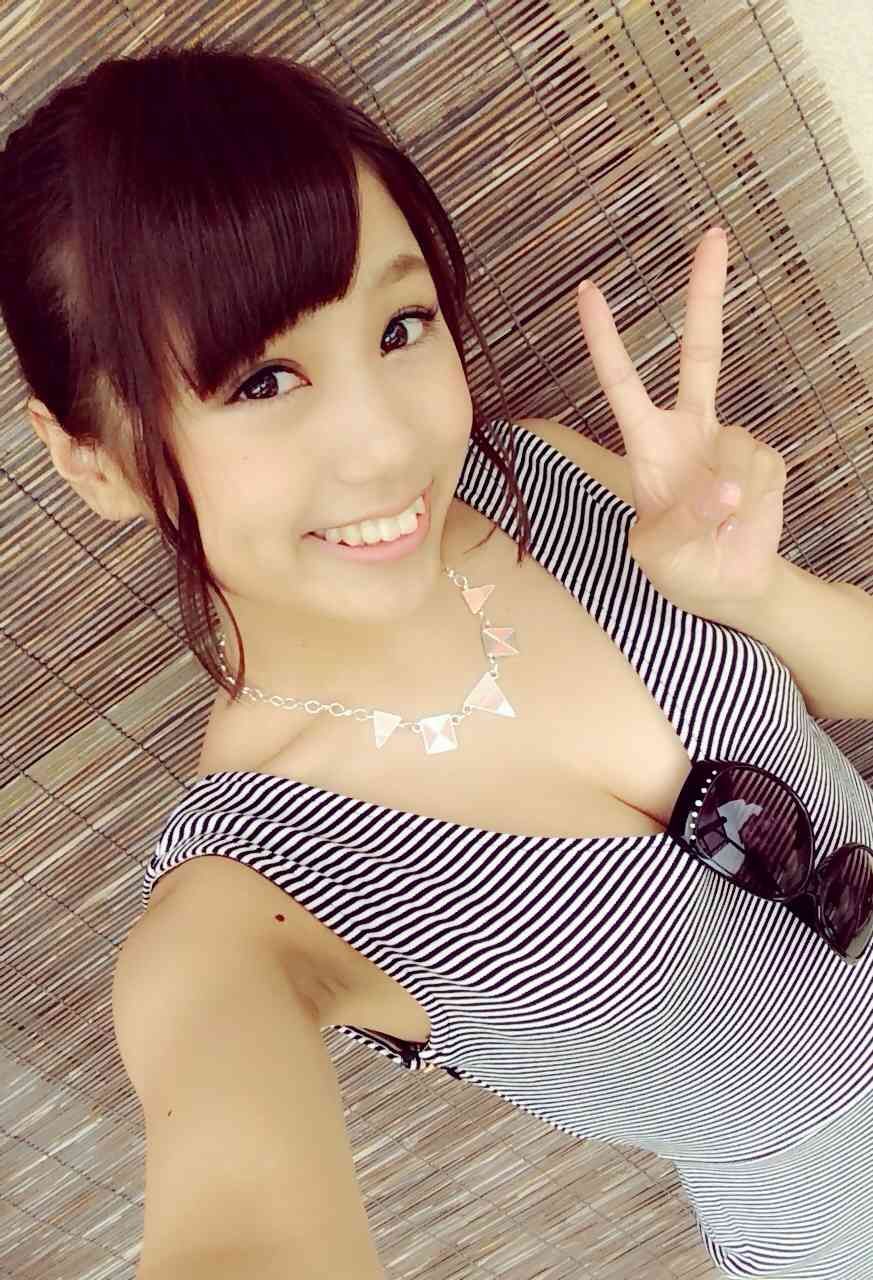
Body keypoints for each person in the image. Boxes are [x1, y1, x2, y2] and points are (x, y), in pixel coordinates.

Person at [2, 38, 872, 1280]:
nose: (386, 442)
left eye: (401, 325)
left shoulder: (552, 480)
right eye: (262, 381)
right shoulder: (241, 909)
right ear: (92, 459)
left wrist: (759, 593)